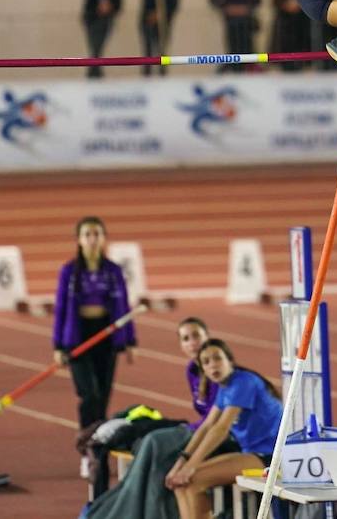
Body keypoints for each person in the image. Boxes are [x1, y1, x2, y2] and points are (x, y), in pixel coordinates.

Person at [83, 317, 238, 519]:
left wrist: (187, 457)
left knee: (154, 443)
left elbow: (216, 423)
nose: (192, 342)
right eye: (186, 338)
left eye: (196, 336)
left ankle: (130, 511)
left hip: (220, 436)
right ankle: (121, 508)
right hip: (199, 430)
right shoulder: (192, 370)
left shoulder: (219, 371)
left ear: (207, 337)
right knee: (148, 446)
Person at [54, 216, 137, 479]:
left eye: (97, 234)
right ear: (78, 240)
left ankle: (98, 450)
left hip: (106, 337)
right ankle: (86, 448)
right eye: (87, 234)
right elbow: (61, 309)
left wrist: (129, 340)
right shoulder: (69, 272)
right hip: (78, 338)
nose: (92, 239)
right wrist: (58, 345)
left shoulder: (112, 271)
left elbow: (123, 305)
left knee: (102, 397)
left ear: (103, 238)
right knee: (88, 395)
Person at [164, 339, 281, 519]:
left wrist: (190, 468)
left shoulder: (243, 382)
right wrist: (180, 465)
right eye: (206, 362)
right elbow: (206, 427)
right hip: (252, 453)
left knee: (193, 480)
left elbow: (221, 428)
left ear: (230, 361)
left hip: (272, 457)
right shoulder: (225, 387)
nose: (213, 365)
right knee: (181, 483)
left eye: (217, 358)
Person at [208, 0, 261, 73]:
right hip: (231, 22)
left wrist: (246, 8)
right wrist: (226, 7)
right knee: (233, 48)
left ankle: (248, 71)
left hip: (246, 23)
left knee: (248, 49)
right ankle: (235, 71)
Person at [269, 0, 311, 71]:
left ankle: (302, 62)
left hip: (300, 21)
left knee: (301, 41)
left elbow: (309, 1)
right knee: (285, 43)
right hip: (285, 22)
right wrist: (286, 6)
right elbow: (275, 2)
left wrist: (299, 5)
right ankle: (285, 63)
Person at [83, 0, 123, 79]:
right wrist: (99, 8)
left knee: (98, 46)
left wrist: (109, 6)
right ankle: (94, 73)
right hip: (92, 20)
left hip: (106, 20)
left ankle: (94, 72)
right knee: (94, 46)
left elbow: (118, 2)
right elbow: (88, 4)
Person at [140, 0, 180, 77]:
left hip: (164, 23)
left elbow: (173, 4)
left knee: (163, 49)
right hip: (148, 22)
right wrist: (152, 15)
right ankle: (146, 74)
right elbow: (146, 1)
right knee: (148, 50)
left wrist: (162, 14)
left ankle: (163, 73)